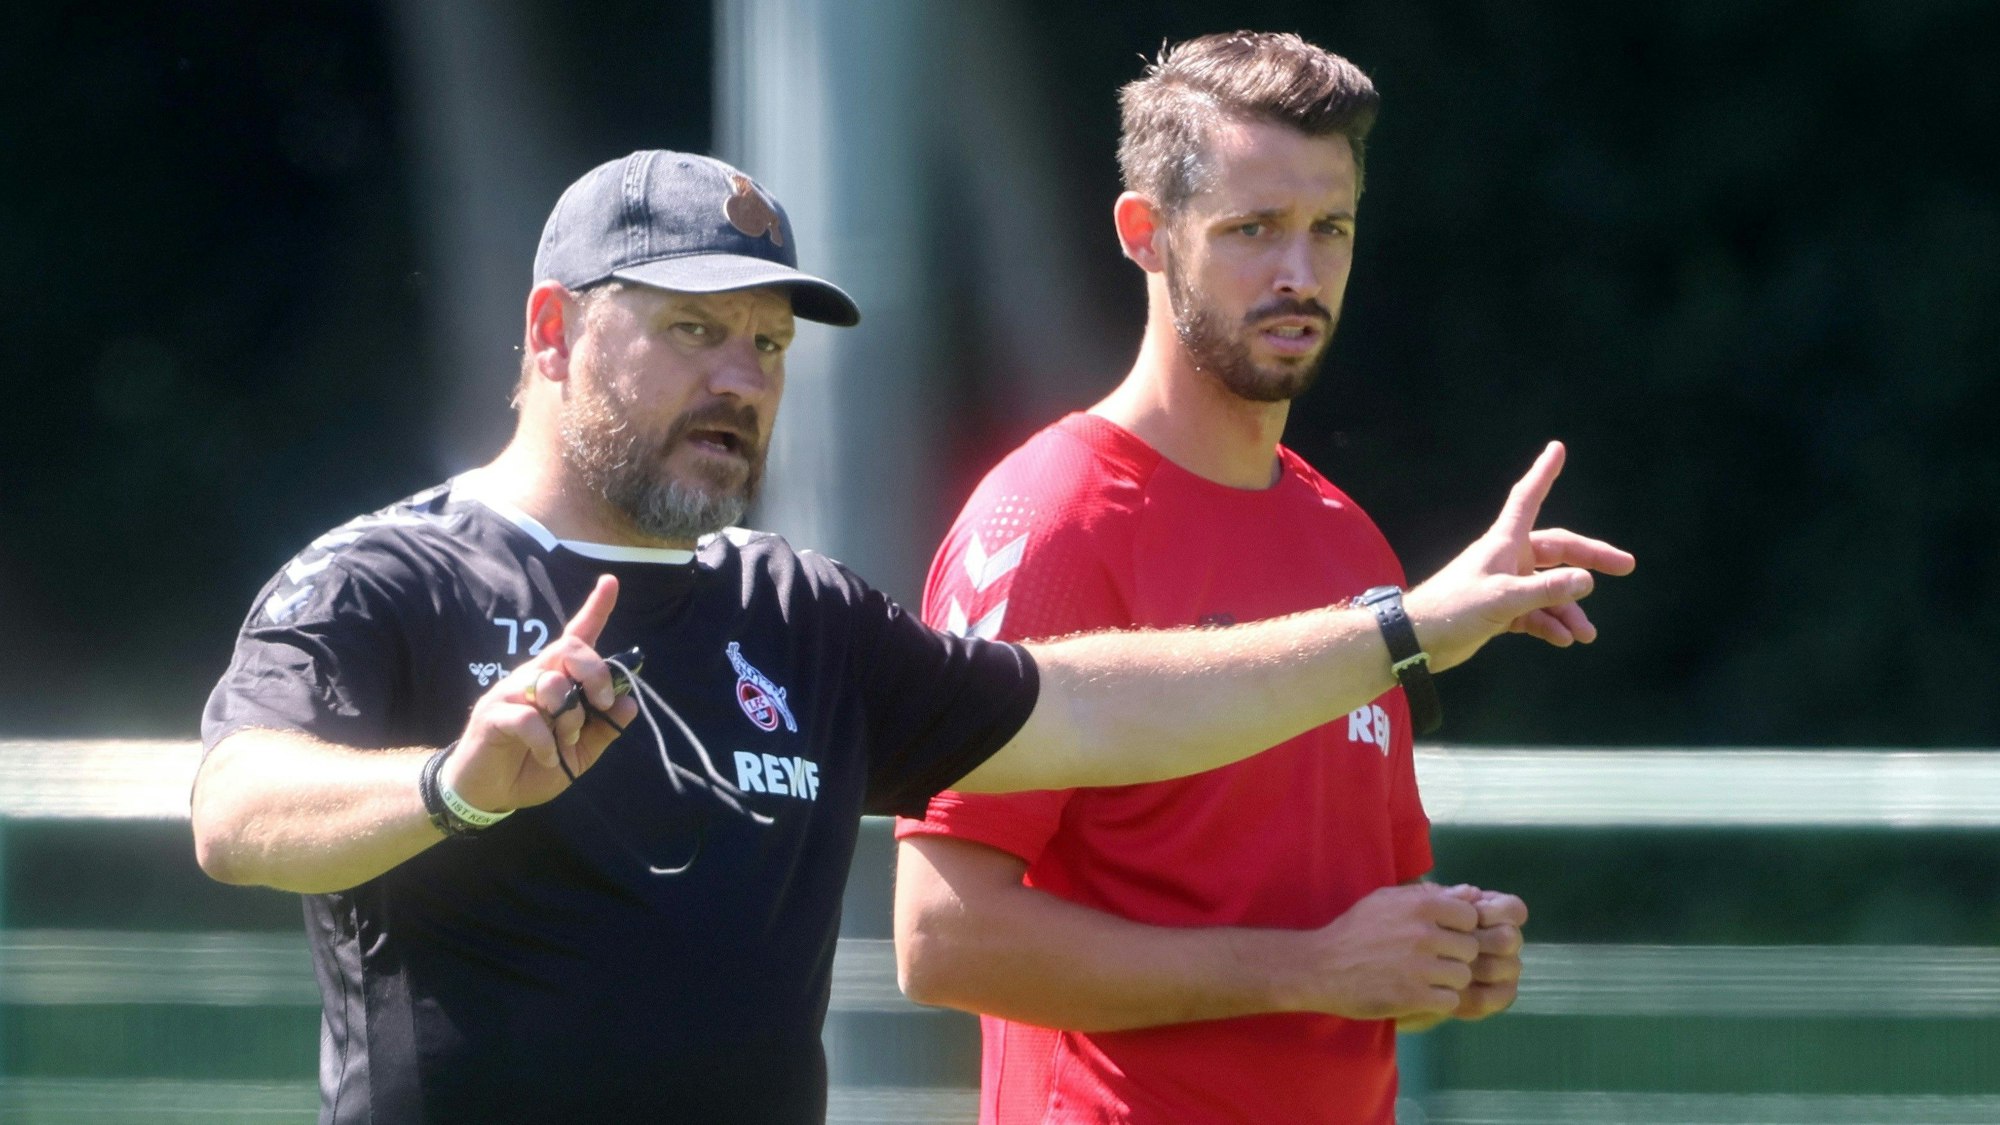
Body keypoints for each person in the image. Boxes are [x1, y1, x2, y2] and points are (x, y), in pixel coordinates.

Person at [190, 149, 1631, 1124]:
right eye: (694, 330)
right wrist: (451, 787)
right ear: (554, 330)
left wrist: (1404, 629)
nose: (741, 378)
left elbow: (1095, 708)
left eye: (768, 343)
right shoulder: (388, 575)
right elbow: (237, 812)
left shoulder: (798, 614)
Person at [893, 33, 1583, 1124]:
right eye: (1252, 229)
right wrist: (1306, 969)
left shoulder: (1350, 546)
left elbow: (1342, 925)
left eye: (1329, 229)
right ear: (1145, 233)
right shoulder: (1050, 520)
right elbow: (943, 938)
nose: (1298, 274)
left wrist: (1440, 952)